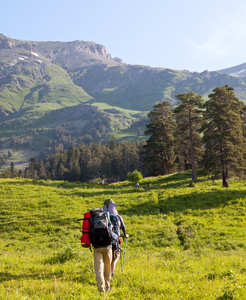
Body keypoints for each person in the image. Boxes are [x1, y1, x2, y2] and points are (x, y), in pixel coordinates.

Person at [102, 199, 129, 277]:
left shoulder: (103, 216)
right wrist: (125, 234)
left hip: (105, 240)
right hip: (116, 239)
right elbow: (123, 226)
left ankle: (107, 273)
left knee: (107, 258)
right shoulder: (118, 216)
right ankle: (112, 273)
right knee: (114, 258)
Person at [91, 208, 113, 293]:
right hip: (107, 246)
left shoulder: (92, 218)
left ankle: (101, 289)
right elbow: (110, 227)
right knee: (107, 267)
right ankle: (107, 287)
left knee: (99, 269)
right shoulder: (106, 215)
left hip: (97, 247)